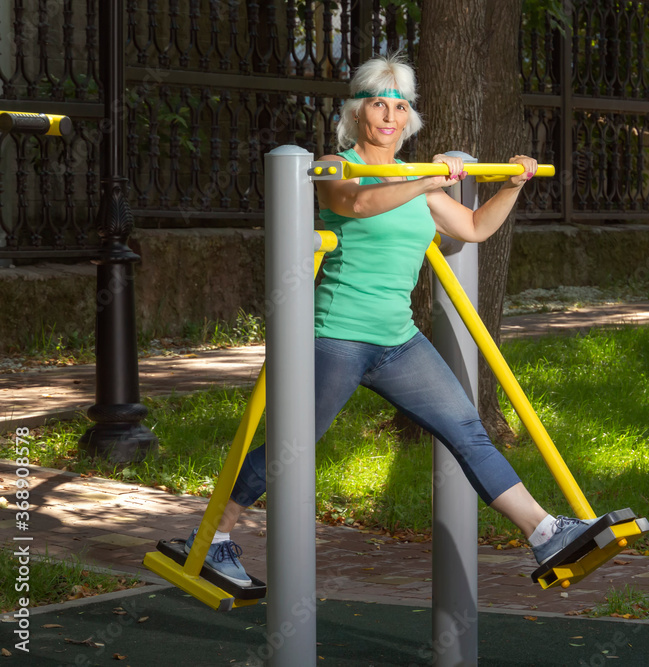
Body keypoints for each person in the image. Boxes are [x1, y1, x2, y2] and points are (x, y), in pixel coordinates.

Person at [185, 53, 597, 587]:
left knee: (467, 429)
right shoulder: (337, 166)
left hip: (397, 340)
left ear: (408, 119)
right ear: (357, 114)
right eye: (378, 103)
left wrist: (512, 186)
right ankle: (213, 537)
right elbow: (355, 205)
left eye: (399, 106)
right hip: (335, 334)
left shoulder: (417, 178)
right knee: (294, 443)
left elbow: (472, 228)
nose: (389, 115)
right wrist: (425, 184)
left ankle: (545, 534)